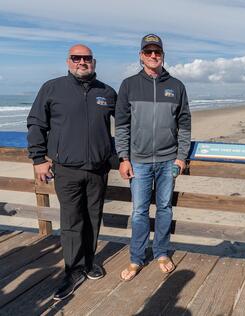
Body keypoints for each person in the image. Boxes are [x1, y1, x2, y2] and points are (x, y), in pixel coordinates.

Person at [27, 44, 117, 300]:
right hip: (65, 169)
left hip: (98, 170)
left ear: (94, 62)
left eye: (86, 58)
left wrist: (120, 158)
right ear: (68, 62)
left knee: (93, 217)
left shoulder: (107, 92)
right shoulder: (52, 88)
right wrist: (38, 159)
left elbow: (125, 126)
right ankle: (73, 269)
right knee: (71, 221)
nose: (81, 62)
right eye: (76, 58)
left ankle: (89, 262)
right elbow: (36, 123)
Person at [115, 34, 191, 281]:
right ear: (141, 56)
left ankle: (161, 252)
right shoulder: (128, 85)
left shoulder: (177, 86)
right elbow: (122, 125)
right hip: (138, 160)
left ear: (163, 55)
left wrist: (181, 157)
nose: (153, 55)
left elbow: (185, 124)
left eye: (157, 51)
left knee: (165, 209)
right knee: (139, 211)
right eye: (148, 52)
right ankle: (136, 258)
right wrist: (123, 157)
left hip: (169, 160)